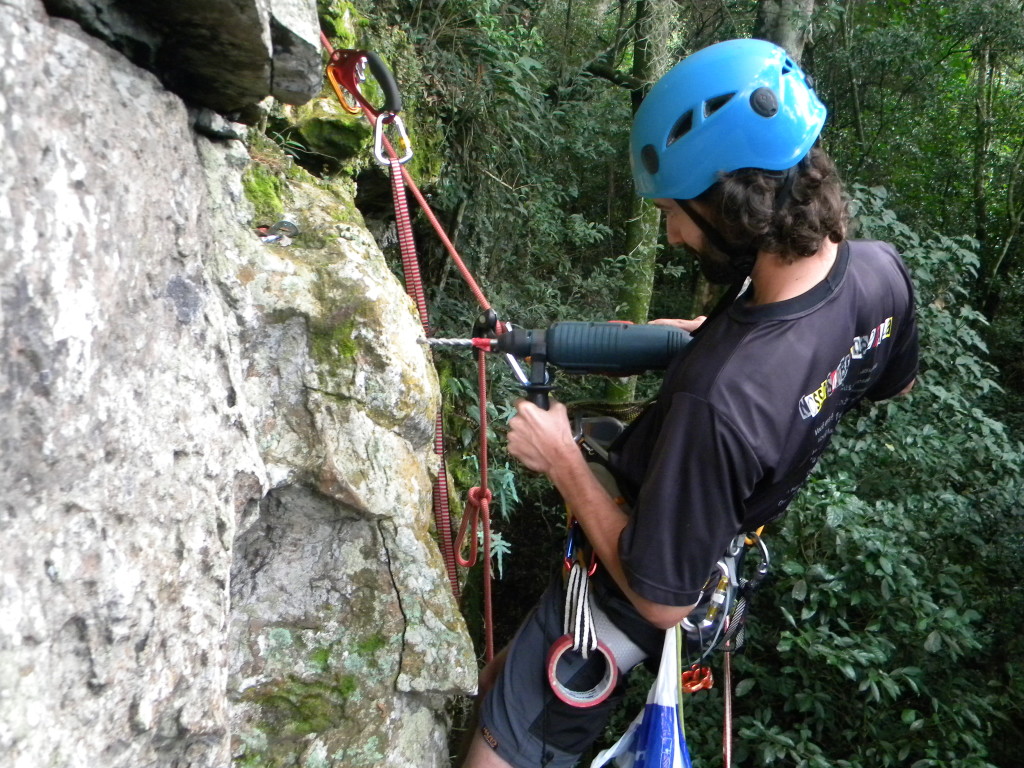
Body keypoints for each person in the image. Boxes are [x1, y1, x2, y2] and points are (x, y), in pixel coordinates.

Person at [462, 38, 919, 768]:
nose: (673, 234)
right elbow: (882, 374)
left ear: (732, 209)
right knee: (494, 688)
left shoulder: (722, 400)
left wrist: (561, 460)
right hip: (715, 545)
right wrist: (718, 337)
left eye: (676, 212)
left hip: (626, 597)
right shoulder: (878, 272)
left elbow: (660, 599)